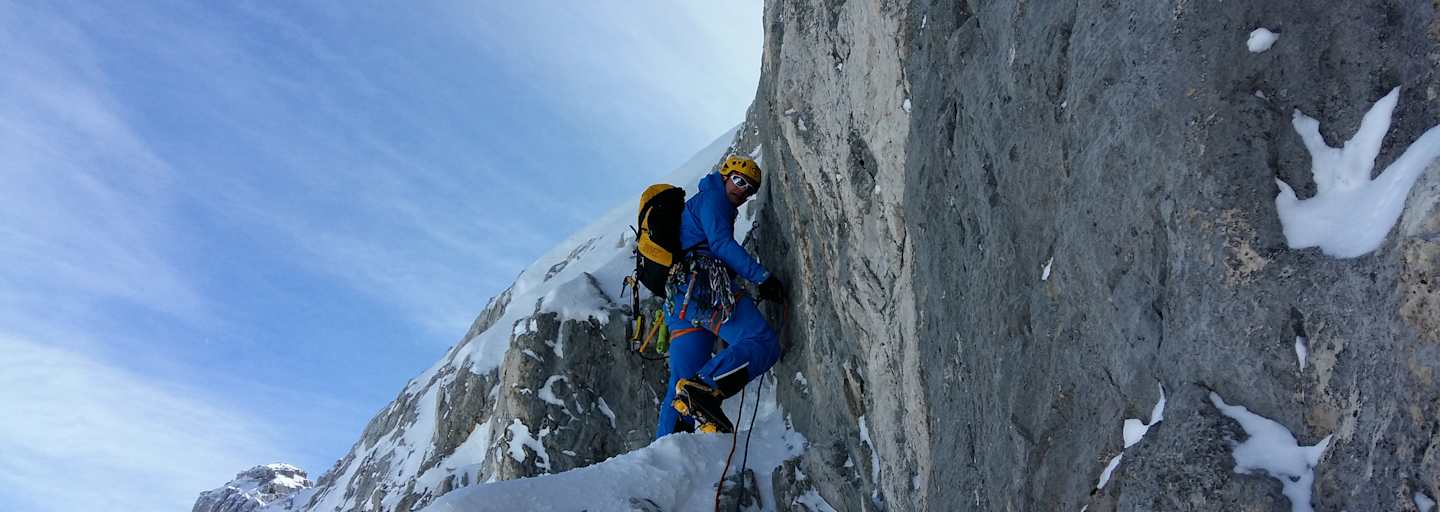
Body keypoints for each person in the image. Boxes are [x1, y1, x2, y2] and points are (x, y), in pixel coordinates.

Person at [656, 155, 787, 437]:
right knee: (763, 343)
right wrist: (762, 278)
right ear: (724, 175)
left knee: (680, 383)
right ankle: (705, 389)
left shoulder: (701, 205)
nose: (742, 192)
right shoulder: (714, 197)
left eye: (749, 189)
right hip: (703, 289)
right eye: (739, 181)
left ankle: (668, 449)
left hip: (680, 303)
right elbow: (721, 244)